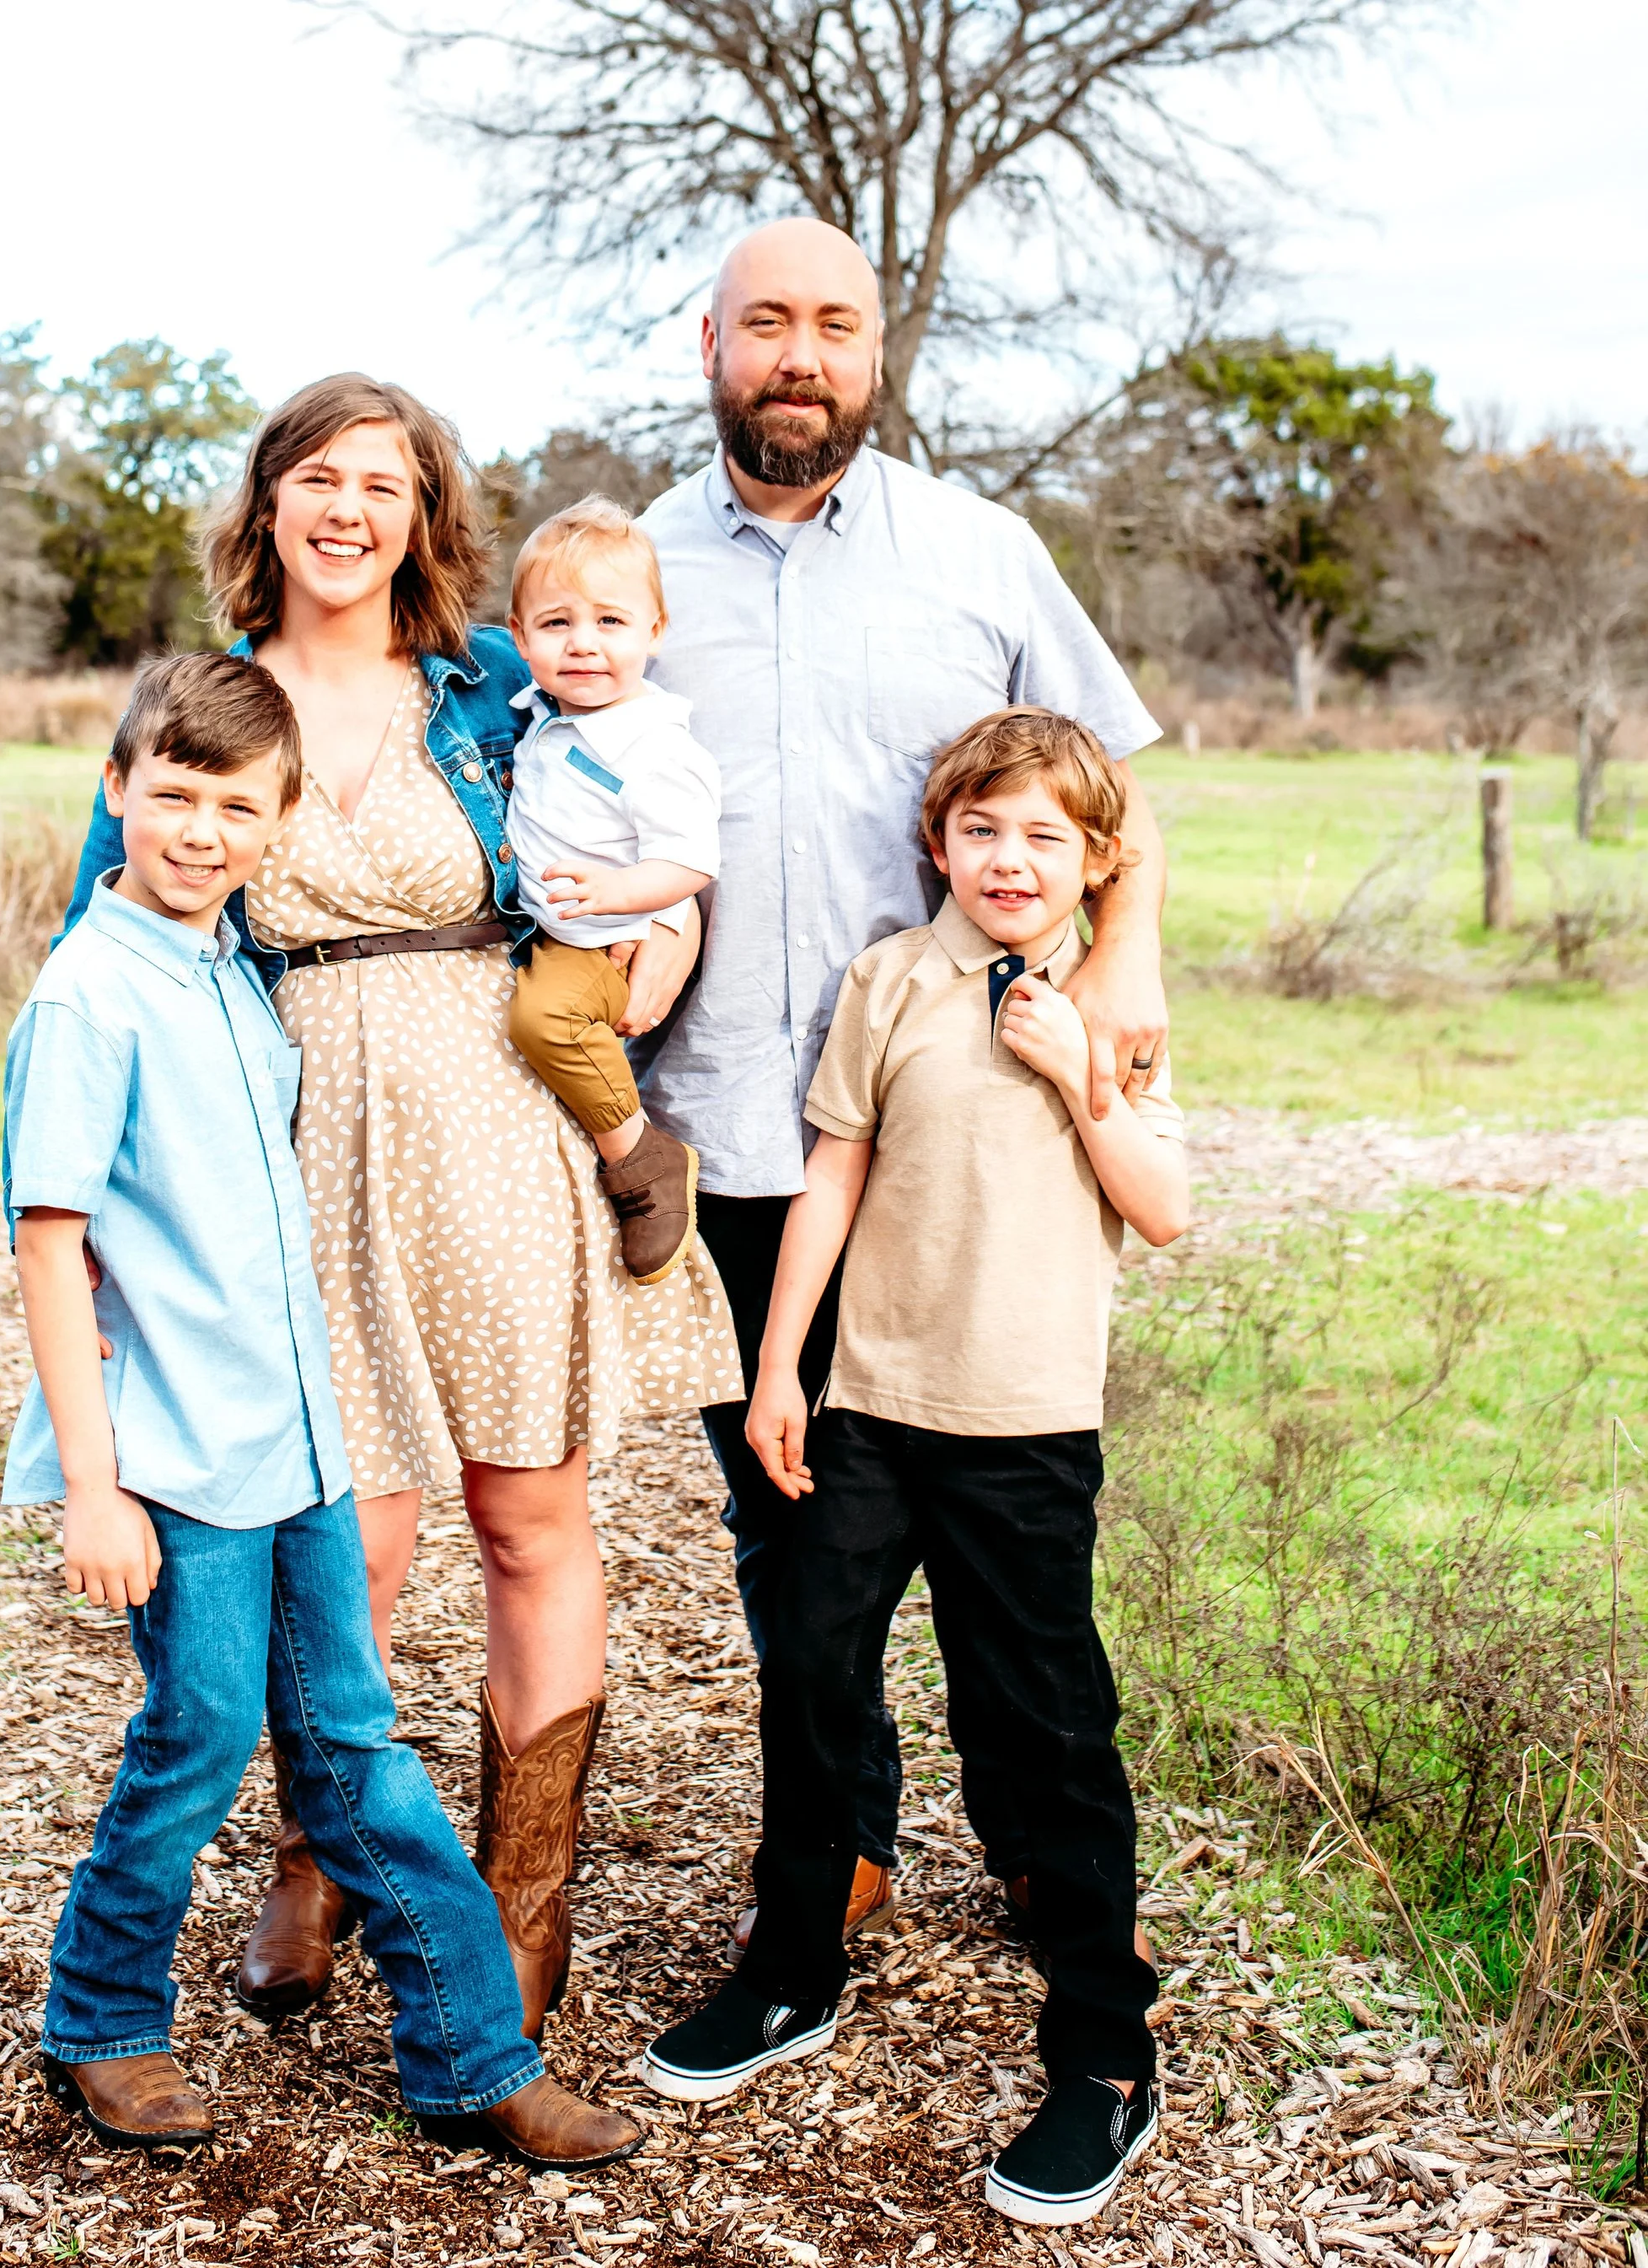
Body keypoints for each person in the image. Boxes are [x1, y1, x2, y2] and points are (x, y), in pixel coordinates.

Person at [60, 378, 740, 2046]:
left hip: (495, 1130)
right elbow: (111, 931)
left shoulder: (495, 684)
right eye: (320, 477)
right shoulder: (203, 705)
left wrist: (665, 951)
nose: (351, 508)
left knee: (526, 1516)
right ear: (269, 503)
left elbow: (653, 834)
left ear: (425, 514)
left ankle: (521, 1892)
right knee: (342, 1546)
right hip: (282, 1146)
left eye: (387, 481)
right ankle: (316, 1856)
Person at [4, 652, 641, 2169]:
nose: (204, 830)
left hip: (298, 1441)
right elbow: (50, 1244)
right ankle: (99, 2020)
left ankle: (473, 2058)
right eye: (175, 797)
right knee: (203, 1731)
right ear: (117, 796)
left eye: (240, 806)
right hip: (177, 1456)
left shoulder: (235, 974)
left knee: (356, 1745)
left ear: (281, 821)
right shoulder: (91, 997)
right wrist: (93, 1490)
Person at [626, 217, 1172, 1942]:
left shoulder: (979, 551)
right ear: (705, 343)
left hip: (956, 1125)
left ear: (876, 353)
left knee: (1002, 1516)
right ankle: (840, 1842)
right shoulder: (629, 574)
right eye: (764, 323)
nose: (800, 355)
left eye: (834, 327)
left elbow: (1113, 803)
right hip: (726, 1124)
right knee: (792, 1516)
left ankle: (1028, 1829)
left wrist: (1125, 957)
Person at [640, 707, 1188, 2229]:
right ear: (937, 843)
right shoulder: (890, 981)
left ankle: (1101, 2050)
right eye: (984, 830)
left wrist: (1082, 1071)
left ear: (1095, 863)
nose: (1012, 861)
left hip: (1022, 1429)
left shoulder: (1114, 1008)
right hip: (868, 1406)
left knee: (1042, 1717)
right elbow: (832, 1178)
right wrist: (778, 1374)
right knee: (813, 1674)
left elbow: (1165, 1207)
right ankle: (791, 1969)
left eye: (1047, 838)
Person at [503, 497, 722, 1285]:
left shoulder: (654, 744)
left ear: (654, 632)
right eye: (557, 625)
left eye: (610, 622)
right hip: (553, 928)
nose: (584, 644)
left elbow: (692, 861)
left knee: (545, 1020)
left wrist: (622, 892)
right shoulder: (539, 715)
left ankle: (641, 1159)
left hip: (605, 937)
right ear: (519, 637)